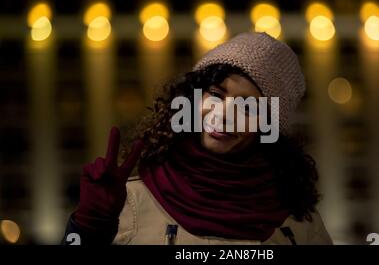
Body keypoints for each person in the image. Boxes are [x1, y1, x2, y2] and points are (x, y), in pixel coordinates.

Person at [63, 32, 333, 245]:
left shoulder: (300, 222)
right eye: (216, 94)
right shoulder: (128, 202)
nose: (224, 115)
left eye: (248, 107)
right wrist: (87, 229)